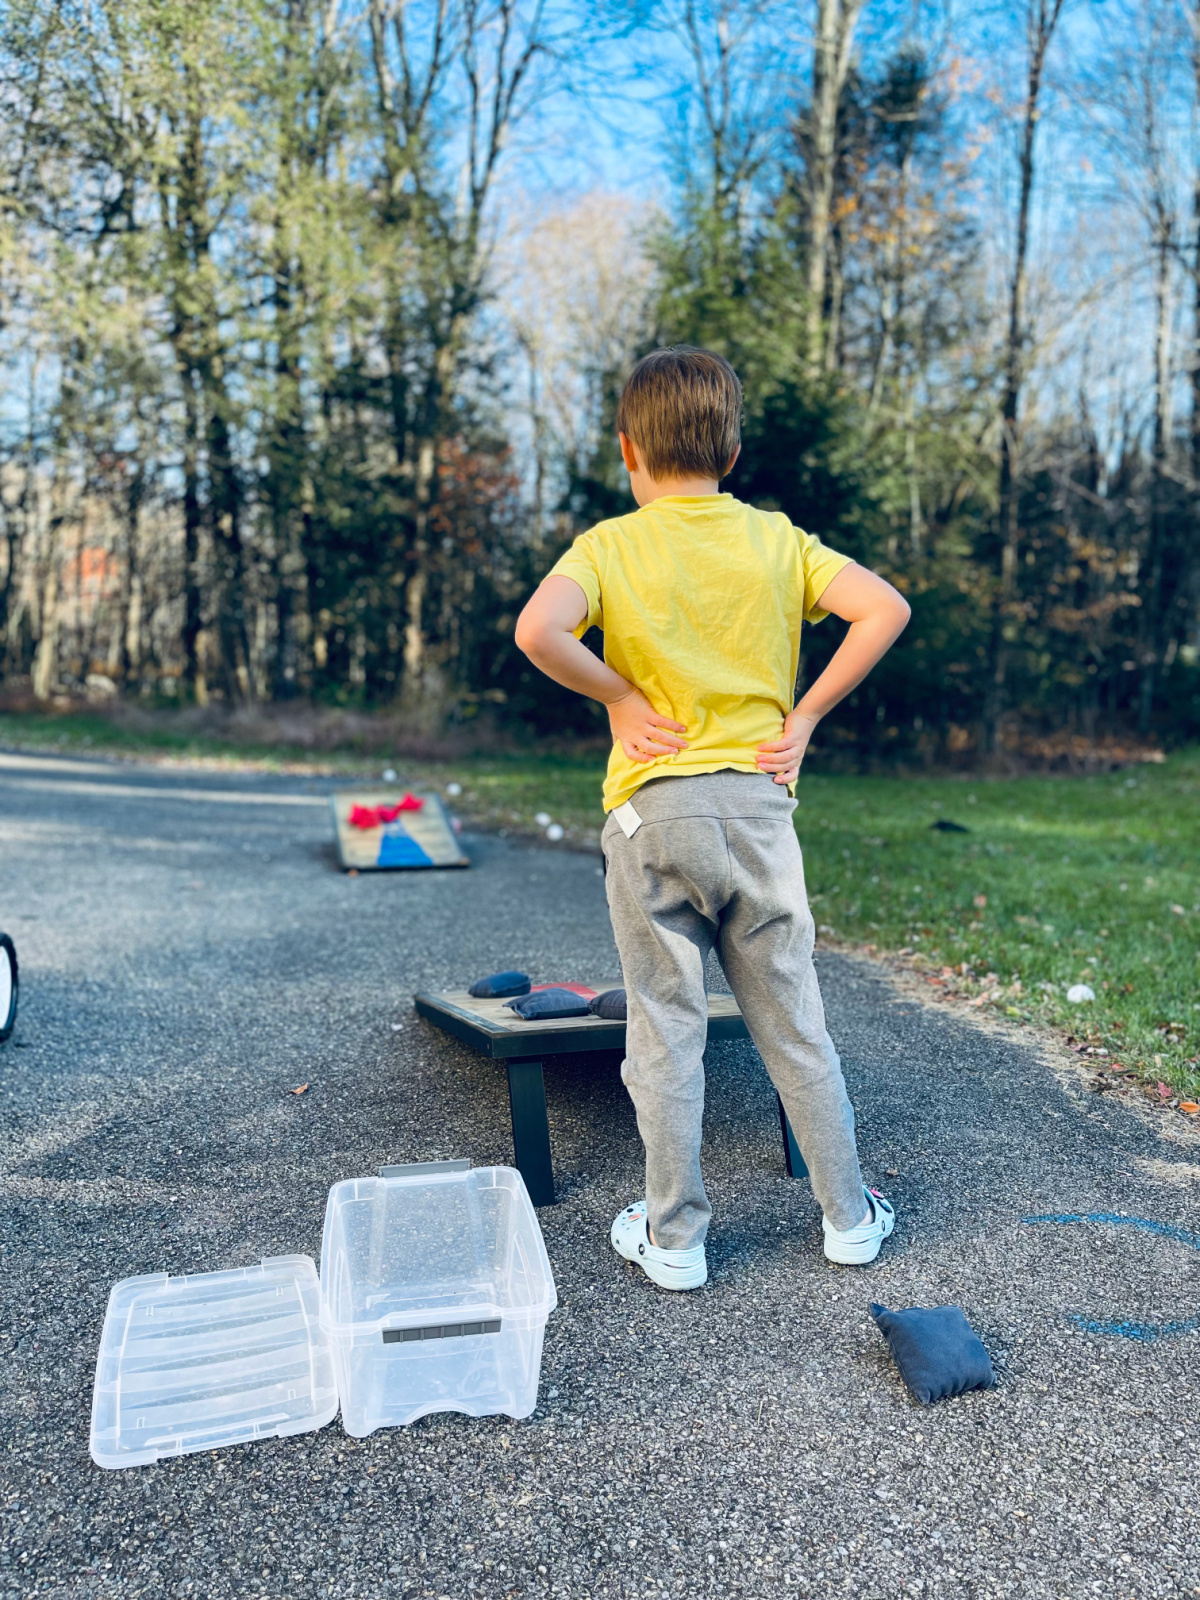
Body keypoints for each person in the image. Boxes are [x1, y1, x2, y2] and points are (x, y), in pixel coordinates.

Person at [514, 345, 911, 1290]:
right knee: (794, 1022)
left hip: (654, 818)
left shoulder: (608, 546)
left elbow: (538, 631)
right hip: (758, 812)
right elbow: (884, 608)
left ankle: (676, 1238)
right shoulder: (778, 541)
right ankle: (849, 1218)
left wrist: (615, 694)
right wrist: (804, 716)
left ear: (628, 453)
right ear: (730, 454)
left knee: (665, 1026)